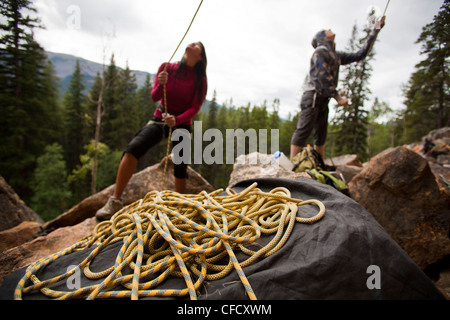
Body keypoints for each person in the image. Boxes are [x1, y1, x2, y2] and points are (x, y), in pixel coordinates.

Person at [96, 42, 208, 221]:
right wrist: (160, 83)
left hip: (182, 122)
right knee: (133, 149)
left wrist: (177, 120)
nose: (192, 44)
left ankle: (180, 208)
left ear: (200, 57)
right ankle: (115, 201)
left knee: (180, 164)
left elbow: (195, 107)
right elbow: (155, 96)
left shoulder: (200, 79)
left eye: (197, 45)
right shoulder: (167, 68)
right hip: (161, 117)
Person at [290, 16, 386, 160]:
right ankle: (291, 165)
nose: (329, 30)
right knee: (304, 130)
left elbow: (361, 54)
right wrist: (338, 97)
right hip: (313, 96)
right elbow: (322, 77)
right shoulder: (320, 51)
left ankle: (320, 164)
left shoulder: (335, 55)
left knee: (321, 133)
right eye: (326, 30)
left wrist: (375, 30)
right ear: (322, 37)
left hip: (323, 98)